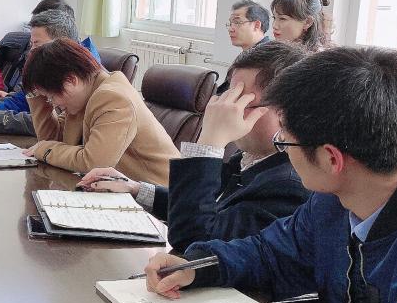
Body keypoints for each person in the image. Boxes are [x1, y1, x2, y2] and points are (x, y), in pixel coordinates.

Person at [143, 47, 397, 303]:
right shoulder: (330, 205)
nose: (282, 150)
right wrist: (198, 267)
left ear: (331, 159)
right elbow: (268, 252)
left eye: (286, 142)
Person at [78, 42, 310, 251]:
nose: (227, 109)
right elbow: (204, 205)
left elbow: (193, 239)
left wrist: (210, 141)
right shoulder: (254, 157)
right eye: (228, 97)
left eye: (240, 101)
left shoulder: (290, 185)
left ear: (284, 113)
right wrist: (136, 189)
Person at [21, 40, 178, 184]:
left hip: (161, 197)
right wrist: (37, 96)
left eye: (52, 96)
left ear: (71, 80)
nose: (54, 103)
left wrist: (43, 150)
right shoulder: (84, 93)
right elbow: (53, 140)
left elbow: (94, 163)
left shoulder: (113, 97)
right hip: (120, 191)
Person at [0, 8, 80, 136]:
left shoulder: (74, 79)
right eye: (31, 45)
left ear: (62, 45)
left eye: (37, 44)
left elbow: (44, 124)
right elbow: (16, 101)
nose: (30, 52)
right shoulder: (40, 72)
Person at [217, 0, 272, 94]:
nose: (230, 29)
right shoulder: (249, 53)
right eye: (230, 24)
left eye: (237, 22)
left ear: (256, 25)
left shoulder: (266, 56)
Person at [270, 0, 336, 51]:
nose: (274, 26)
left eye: (282, 19)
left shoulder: (319, 57)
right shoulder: (274, 51)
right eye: (274, 18)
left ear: (308, 22)